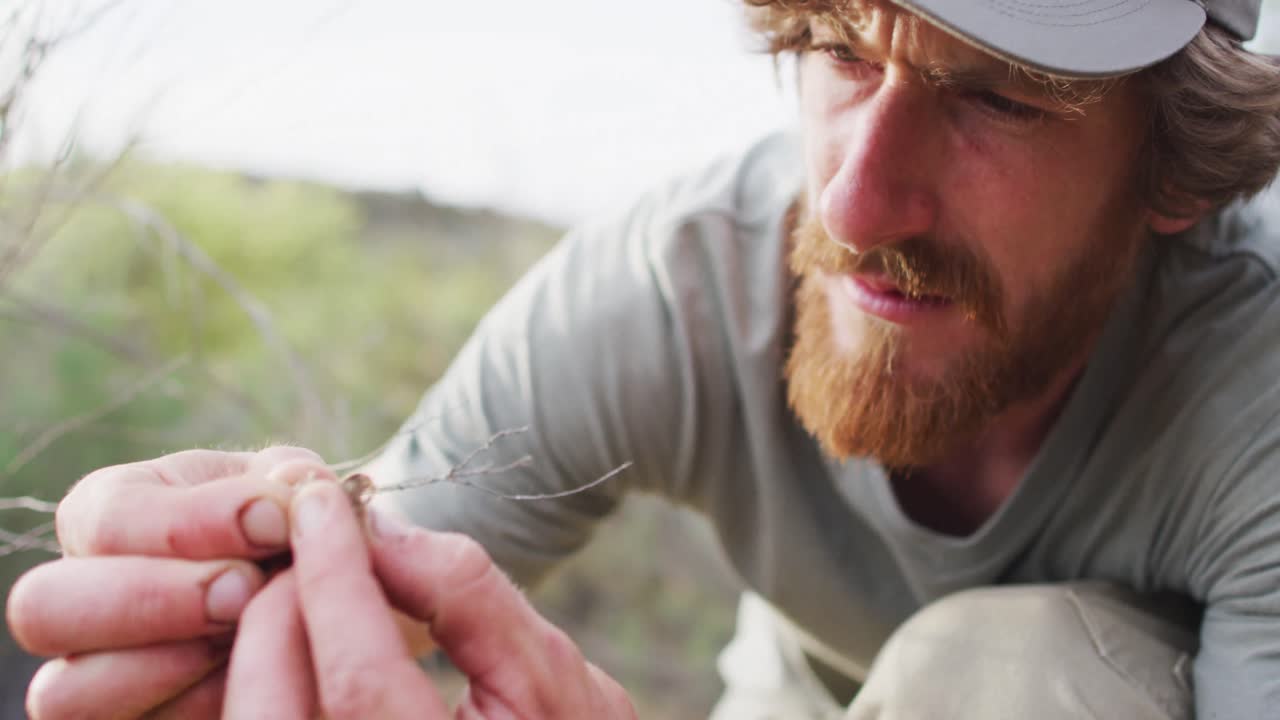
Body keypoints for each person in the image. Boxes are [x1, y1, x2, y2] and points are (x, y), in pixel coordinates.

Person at [8, 0, 1280, 717]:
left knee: (1007, 676)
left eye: (998, 98)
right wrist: (230, 600)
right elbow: (390, 552)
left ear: (1173, 163)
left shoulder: (1255, 390)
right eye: (837, 50)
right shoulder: (682, 281)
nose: (848, 209)